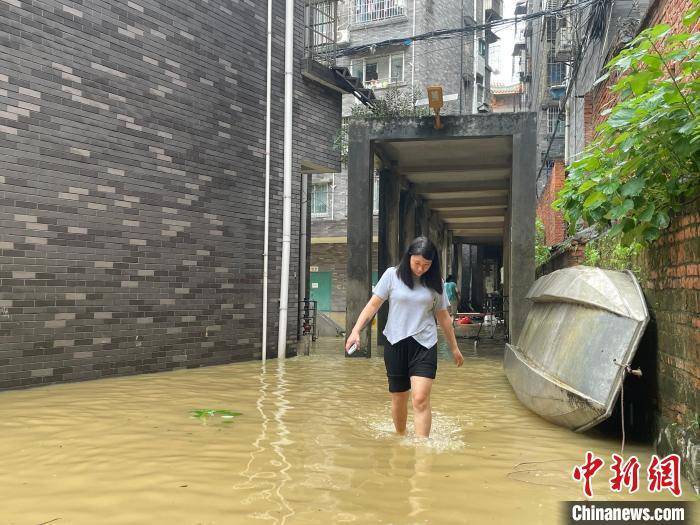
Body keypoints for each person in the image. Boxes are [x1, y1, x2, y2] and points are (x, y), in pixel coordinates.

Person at [345, 236, 464, 438]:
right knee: (399, 398)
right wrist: (356, 330)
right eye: (417, 263)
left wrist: (454, 347)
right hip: (395, 343)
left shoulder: (436, 284)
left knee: (420, 398)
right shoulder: (392, 276)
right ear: (409, 257)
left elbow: (443, 317)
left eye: (426, 265)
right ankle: (400, 437)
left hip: (424, 345)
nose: (420, 269)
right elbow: (373, 305)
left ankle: (421, 448)